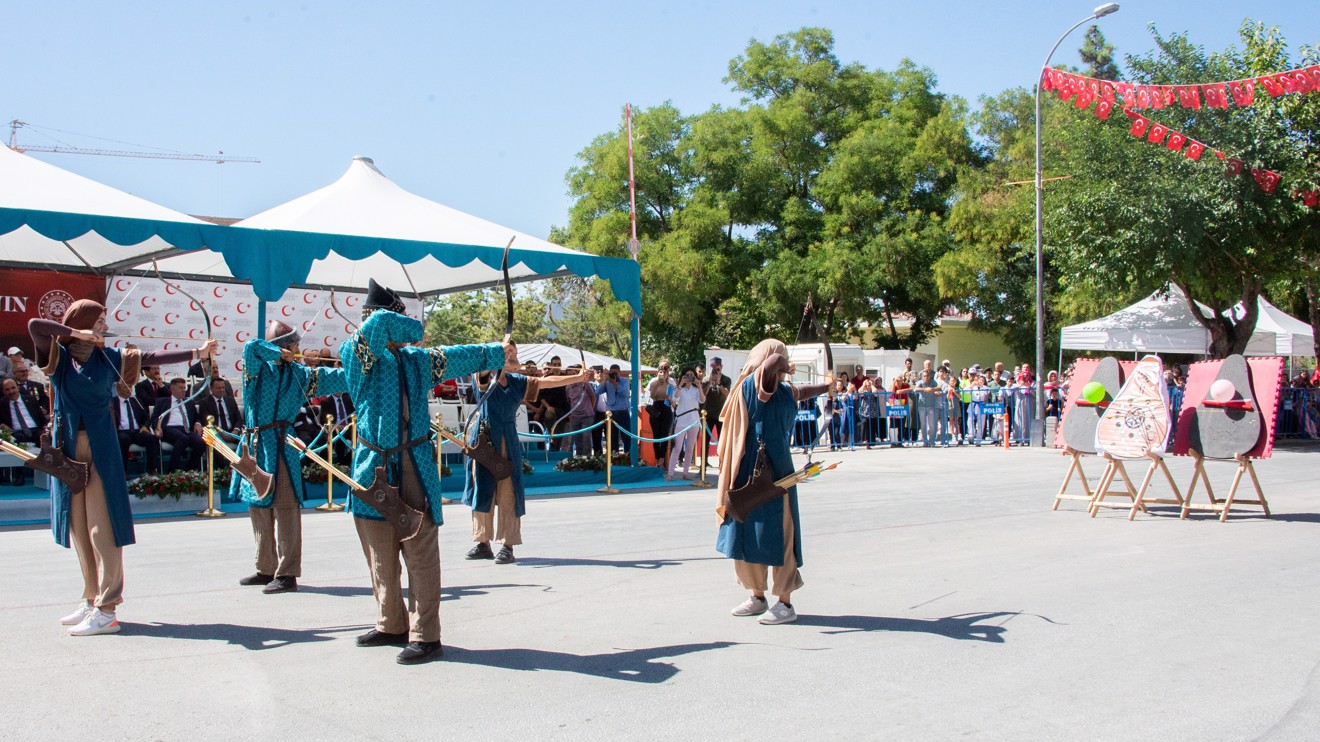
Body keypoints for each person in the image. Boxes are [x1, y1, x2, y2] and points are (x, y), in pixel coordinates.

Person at [323, 279, 517, 666]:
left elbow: (462, 355)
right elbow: (387, 328)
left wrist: (498, 351)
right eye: (392, 320)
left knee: (420, 551)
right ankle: (389, 623)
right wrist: (403, 322)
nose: (400, 329)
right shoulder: (356, 354)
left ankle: (426, 635)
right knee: (379, 552)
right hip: (371, 465)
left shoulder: (418, 361)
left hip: (414, 463)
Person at [30, 301, 214, 636]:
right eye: (97, 322)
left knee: (102, 527)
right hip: (68, 449)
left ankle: (107, 607)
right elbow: (35, 326)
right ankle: (90, 597)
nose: (103, 327)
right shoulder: (56, 355)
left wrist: (195, 353)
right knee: (79, 527)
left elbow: (151, 358)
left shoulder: (111, 358)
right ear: (81, 323)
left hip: (100, 448)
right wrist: (75, 333)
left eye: (102, 321)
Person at [716, 339, 829, 625]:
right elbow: (768, 369)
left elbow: (802, 391)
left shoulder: (782, 390)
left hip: (779, 475)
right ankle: (757, 597)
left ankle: (785, 604)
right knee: (748, 534)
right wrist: (782, 362)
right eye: (780, 357)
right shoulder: (754, 387)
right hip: (749, 475)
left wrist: (828, 385)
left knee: (783, 536)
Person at [231, 320, 342, 594]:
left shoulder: (301, 374)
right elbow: (250, 348)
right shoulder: (257, 370)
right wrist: (275, 353)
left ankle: (288, 573)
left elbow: (338, 377)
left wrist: (363, 367)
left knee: (285, 507)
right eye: (294, 345)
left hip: (281, 443)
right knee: (258, 507)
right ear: (283, 348)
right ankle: (264, 568)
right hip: (257, 445)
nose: (299, 350)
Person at [464, 365, 589, 565]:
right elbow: (482, 380)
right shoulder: (483, 374)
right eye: (506, 352)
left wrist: (577, 377)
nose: (511, 356)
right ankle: (482, 543)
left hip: (508, 440)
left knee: (509, 493)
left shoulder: (518, 381)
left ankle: (508, 545)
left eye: (513, 352)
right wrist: (495, 359)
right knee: (482, 490)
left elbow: (545, 382)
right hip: (484, 439)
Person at [1, 377, 49, 485]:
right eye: (7, 390)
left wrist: (46, 428)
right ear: (3, 392)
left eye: (13, 388)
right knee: (18, 439)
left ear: (18, 388)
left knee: (44, 437)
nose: (11, 391)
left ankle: (49, 471)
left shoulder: (30, 399)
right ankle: (20, 475)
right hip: (17, 431)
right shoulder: (2, 404)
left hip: (35, 429)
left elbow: (41, 418)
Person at [152, 378, 205, 472]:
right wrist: (157, 428)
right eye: (180, 388)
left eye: (184, 388)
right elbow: (155, 417)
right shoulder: (162, 402)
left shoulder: (189, 402)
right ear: (172, 389)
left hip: (187, 429)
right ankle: (171, 471)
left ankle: (190, 470)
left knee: (200, 443)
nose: (184, 390)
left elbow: (197, 417)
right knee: (183, 439)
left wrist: (197, 423)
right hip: (170, 429)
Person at [666, 366, 707, 481]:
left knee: (689, 447)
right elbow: (675, 398)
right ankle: (670, 473)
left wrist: (699, 386)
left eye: (691, 375)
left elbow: (702, 400)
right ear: (683, 376)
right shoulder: (679, 388)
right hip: (681, 420)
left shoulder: (696, 389)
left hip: (693, 420)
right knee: (677, 447)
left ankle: (685, 473)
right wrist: (681, 384)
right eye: (687, 375)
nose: (689, 377)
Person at [110, 381, 158, 475]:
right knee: (123, 439)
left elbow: (147, 417)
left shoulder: (136, 401)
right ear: (118, 389)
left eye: (130, 386)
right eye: (125, 387)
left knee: (151, 439)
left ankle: (152, 469)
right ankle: (124, 471)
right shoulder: (113, 402)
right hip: (122, 431)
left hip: (137, 431)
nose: (129, 389)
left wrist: (145, 426)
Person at [647, 360, 675, 466]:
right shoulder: (653, 381)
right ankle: (657, 459)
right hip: (655, 408)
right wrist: (657, 384)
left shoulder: (672, 382)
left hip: (666, 408)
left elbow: (673, 396)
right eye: (661, 368)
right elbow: (651, 396)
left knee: (664, 436)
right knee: (656, 436)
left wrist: (666, 383)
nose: (663, 371)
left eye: (666, 368)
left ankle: (663, 460)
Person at [602, 364, 632, 453]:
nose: (614, 375)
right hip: (611, 414)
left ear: (619, 373)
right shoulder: (607, 383)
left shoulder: (624, 381)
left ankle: (628, 457)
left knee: (626, 437)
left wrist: (615, 384)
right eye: (612, 373)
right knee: (612, 439)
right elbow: (598, 391)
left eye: (616, 373)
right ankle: (614, 459)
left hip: (623, 413)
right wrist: (604, 381)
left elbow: (626, 393)